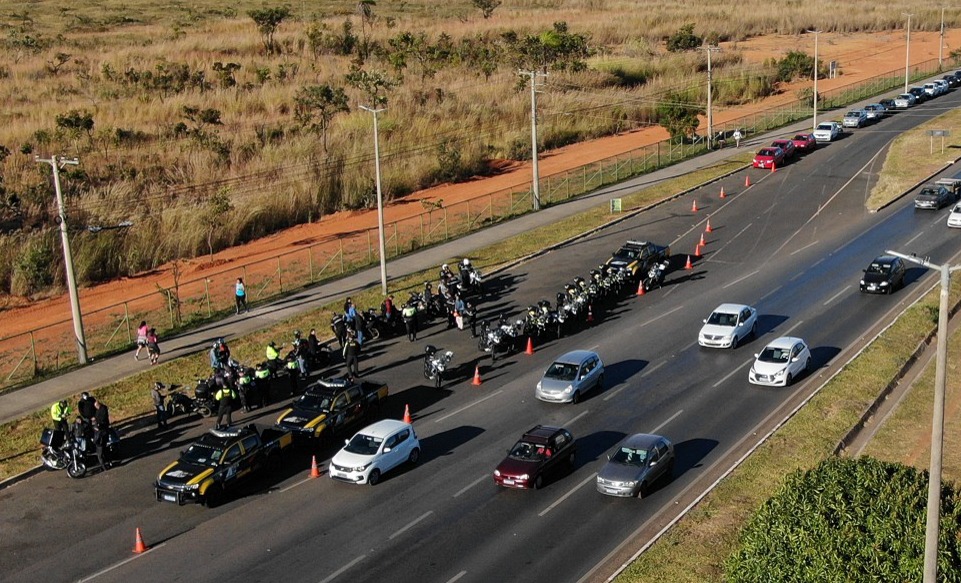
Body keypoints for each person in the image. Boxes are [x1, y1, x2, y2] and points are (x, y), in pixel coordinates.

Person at [93, 399, 112, 470]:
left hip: (100, 439)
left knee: (100, 455)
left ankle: (104, 467)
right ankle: (107, 464)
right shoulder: (101, 410)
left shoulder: (102, 410)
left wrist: (97, 425)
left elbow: (103, 420)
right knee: (105, 451)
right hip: (103, 435)